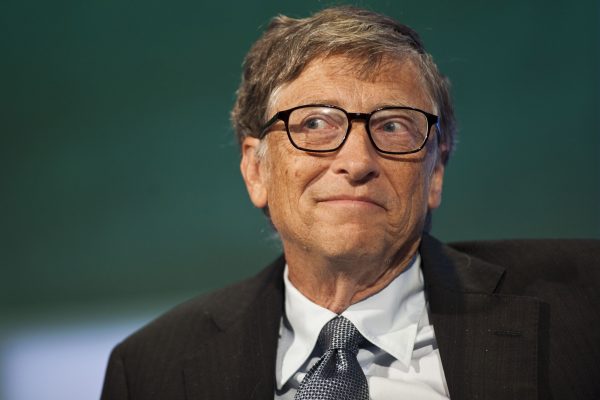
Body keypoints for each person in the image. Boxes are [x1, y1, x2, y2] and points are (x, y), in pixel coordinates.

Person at [100, 6, 600, 400]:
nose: (357, 161)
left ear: (435, 173)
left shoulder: (583, 305)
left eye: (393, 126)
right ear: (257, 170)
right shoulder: (151, 369)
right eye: (315, 124)